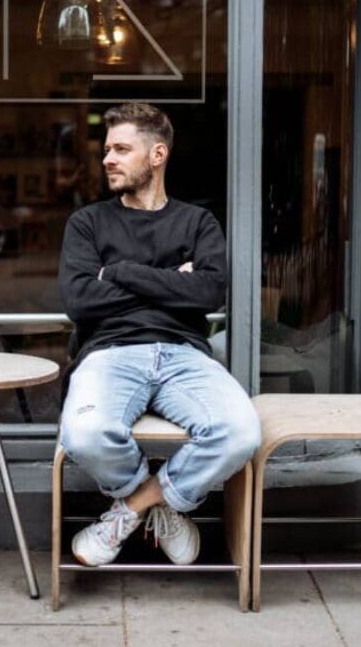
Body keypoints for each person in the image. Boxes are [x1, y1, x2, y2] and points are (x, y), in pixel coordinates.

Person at [58, 102, 261, 567]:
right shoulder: (88, 223)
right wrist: (172, 282)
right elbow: (79, 301)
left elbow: (209, 292)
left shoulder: (197, 223)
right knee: (85, 434)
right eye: (107, 149)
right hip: (110, 353)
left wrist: (121, 272)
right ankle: (159, 505)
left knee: (240, 431)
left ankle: (132, 509)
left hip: (183, 354)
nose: (108, 158)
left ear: (157, 154)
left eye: (122, 149)